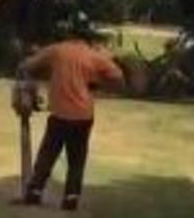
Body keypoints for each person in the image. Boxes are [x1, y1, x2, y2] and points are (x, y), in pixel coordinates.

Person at [16, 23, 124, 212]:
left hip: (60, 113)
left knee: (48, 154)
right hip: (83, 115)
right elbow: (117, 76)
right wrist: (97, 85)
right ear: (86, 37)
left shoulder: (57, 51)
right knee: (77, 158)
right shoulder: (94, 56)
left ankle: (34, 192)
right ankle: (71, 198)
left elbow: (28, 65)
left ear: (69, 35)